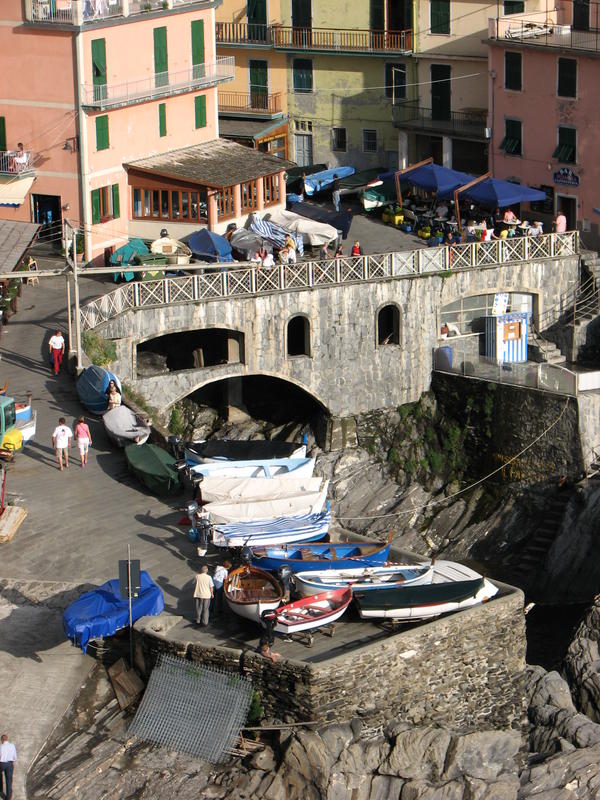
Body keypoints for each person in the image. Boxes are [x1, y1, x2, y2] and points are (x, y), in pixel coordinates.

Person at [0, 734, 17, 800]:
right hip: (10, 764)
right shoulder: (12, 746)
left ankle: (0, 788)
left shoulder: (1, 746)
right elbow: (15, 756)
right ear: (7, 739)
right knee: (9, 781)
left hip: (1, 764)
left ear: (2, 740)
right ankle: (8, 797)